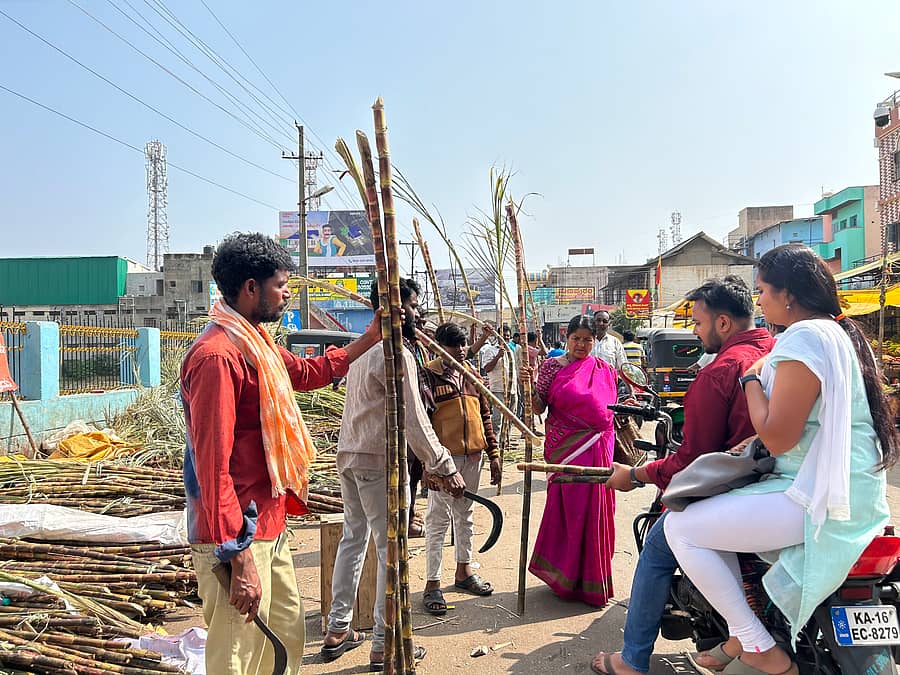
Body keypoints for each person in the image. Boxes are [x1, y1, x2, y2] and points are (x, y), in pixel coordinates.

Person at [663, 245, 898, 675]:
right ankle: (739, 638)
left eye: (764, 291)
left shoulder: (805, 337)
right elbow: (809, 420)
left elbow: (780, 437)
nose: (760, 302)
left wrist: (751, 380)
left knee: (681, 528)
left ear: (788, 294)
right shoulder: (838, 333)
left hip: (814, 497)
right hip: (851, 493)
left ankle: (756, 645)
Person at [180, 233, 383, 675]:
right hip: (233, 536)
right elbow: (212, 467)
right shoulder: (218, 357)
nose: (288, 292)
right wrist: (237, 554)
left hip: (268, 518)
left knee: (286, 637)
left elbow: (306, 373)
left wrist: (371, 336)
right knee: (239, 652)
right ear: (250, 288)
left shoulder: (258, 343)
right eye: (280, 284)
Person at [594, 275, 774, 675]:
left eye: (696, 321)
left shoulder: (721, 372)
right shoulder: (779, 352)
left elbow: (695, 460)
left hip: (738, 489)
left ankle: (632, 658)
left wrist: (639, 474)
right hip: (783, 485)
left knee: (658, 547)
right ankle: (734, 640)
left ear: (723, 323)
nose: (694, 330)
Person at [322, 278, 467, 671]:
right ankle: (383, 644)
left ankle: (337, 628)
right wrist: (444, 465)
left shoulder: (364, 345)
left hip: (350, 453)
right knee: (391, 550)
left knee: (354, 539)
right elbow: (414, 420)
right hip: (376, 459)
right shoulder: (393, 350)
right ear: (389, 309)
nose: (417, 313)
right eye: (411, 306)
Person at [527, 315, 619, 606]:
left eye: (587, 339)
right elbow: (539, 406)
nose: (581, 344)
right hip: (565, 451)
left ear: (595, 341)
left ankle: (592, 582)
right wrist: (527, 385)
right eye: (576, 338)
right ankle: (563, 578)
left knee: (596, 513)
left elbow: (610, 411)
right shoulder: (552, 366)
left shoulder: (604, 369)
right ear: (567, 337)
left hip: (599, 449)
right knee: (570, 512)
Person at [421, 322, 503, 614]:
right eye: (452, 346)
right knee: (437, 520)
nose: (458, 352)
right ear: (438, 347)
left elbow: (485, 415)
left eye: (462, 346)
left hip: (473, 457)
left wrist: (493, 454)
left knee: (465, 516)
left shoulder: (471, 374)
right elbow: (423, 425)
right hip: (444, 459)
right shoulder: (427, 376)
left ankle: (463, 572)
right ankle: (432, 583)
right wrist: (429, 465)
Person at [479, 325, 518, 441]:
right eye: (503, 336)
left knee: (511, 417)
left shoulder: (511, 351)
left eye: (507, 336)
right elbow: (487, 369)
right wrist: (498, 356)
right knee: (498, 418)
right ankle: (495, 442)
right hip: (498, 389)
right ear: (498, 336)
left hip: (512, 389)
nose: (506, 338)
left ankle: (505, 440)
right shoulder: (490, 350)